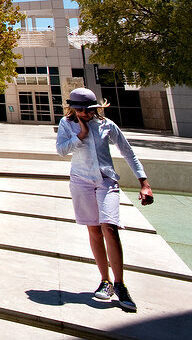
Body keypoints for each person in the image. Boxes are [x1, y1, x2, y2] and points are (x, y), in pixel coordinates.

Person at [55, 88, 153, 313]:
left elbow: (128, 152)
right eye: (78, 109)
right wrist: (79, 134)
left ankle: (120, 284)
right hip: (81, 181)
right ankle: (105, 280)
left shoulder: (107, 125)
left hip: (106, 180)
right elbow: (61, 150)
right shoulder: (66, 124)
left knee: (110, 227)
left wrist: (144, 182)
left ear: (95, 108)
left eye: (87, 110)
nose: (83, 113)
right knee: (94, 230)